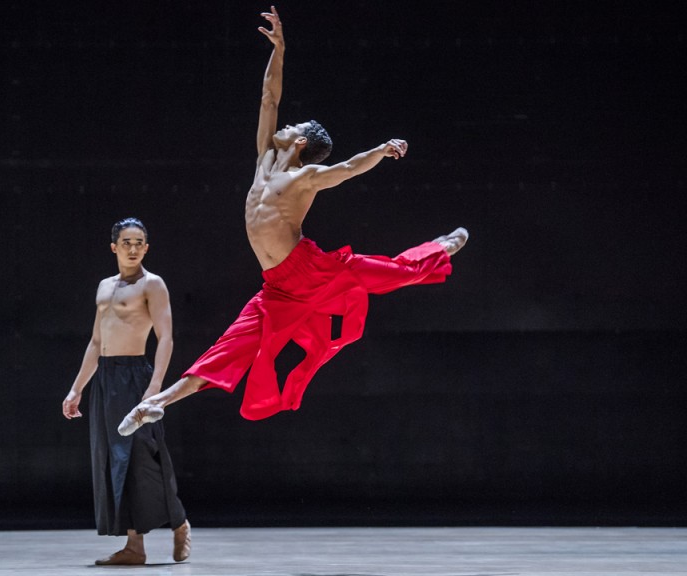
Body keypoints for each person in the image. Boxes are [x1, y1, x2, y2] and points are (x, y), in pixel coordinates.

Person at [118, 6, 468, 435]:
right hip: (277, 285)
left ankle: (441, 247)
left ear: (300, 141)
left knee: (383, 273)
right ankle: (158, 403)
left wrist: (380, 150)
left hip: (309, 269)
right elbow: (270, 96)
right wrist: (279, 49)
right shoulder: (264, 158)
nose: (283, 123)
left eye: (292, 125)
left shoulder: (304, 177)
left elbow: (348, 168)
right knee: (233, 344)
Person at [62, 217, 191, 566]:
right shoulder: (105, 287)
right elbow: (96, 342)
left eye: (139, 243)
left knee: (142, 459)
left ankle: (178, 523)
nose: (133, 248)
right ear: (114, 247)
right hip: (106, 378)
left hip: (136, 377)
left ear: (146, 248)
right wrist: (76, 390)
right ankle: (135, 546)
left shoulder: (153, 284)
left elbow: (166, 338)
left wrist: (155, 391)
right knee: (114, 460)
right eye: (126, 242)